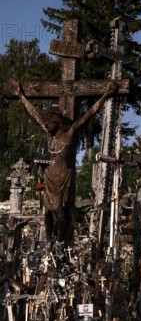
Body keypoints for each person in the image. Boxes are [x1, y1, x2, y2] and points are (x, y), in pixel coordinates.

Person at [10, 79, 118, 241]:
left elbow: (89, 113)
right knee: (47, 211)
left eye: (49, 121)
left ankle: (60, 241)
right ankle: (49, 242)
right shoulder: (49, 135)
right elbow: (34, 114)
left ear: (57, 121)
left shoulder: (69, 133)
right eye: (46, 121)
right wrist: (21, 96)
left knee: (60, 211)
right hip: (50, 175)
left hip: (63, 177)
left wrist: (106, 95)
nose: (46, 124)